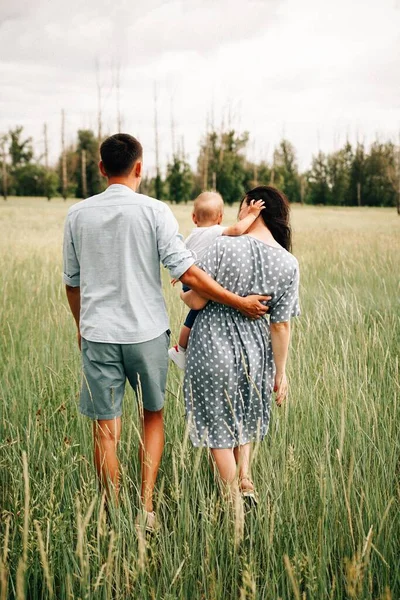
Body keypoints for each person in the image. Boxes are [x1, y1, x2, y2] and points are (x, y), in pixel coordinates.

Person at [63, 134, 270, 532]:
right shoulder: (155, 212)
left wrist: (80, 327)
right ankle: (146, 510)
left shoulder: (77, 215)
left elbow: (73, 284)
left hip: (98, 335)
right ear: (139, 168)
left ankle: (112, 516)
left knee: (106, 431)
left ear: (102, 168)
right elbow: (188, 273)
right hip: (146, 334)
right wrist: (238, 302)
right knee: (152, 417)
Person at [181, 185, 300, 509]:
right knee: (240, 422)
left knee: (216, 429)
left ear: (253, 207)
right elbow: (281, 325)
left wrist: (186, 295)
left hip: (211, 348)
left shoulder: (224, 247)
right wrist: (280, 373)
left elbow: (194, 296)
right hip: (256, 353)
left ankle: (234, 503)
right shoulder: (288, 263)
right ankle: (243, 487)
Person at [168, 191, 265, 369]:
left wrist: (177, 277)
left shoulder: (190, 236)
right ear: (220, 217)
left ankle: (181, 348)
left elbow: (183, 259)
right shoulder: (216, 231)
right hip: (200, 281)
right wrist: (252, 214)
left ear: (193, 217)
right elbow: (237, 229)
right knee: (194, 314)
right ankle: (180, 349)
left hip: (188, 279)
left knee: (192, 317)